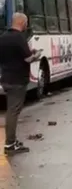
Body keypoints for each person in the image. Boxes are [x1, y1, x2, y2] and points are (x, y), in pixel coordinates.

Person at [0, 13, 42, 155]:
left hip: (6, 78)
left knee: (11, 110)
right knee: (13, 111)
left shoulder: (3, 37)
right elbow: (28, 59)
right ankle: (10, 144)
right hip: (17, 80)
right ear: (22, 22)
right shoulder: (19, 37)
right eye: (26, 22)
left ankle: (12, 141)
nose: (26, 25)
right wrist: (36, 55)